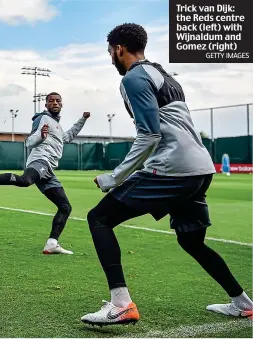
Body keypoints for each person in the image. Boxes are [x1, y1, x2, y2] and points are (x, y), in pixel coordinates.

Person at [80, 23, 253, 326]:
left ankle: (121, 304)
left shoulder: (133, 78)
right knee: (192, 241)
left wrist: (114, 176)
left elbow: (149, 135)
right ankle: (243, 303)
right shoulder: (162, 73)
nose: (110, 58)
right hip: (200, 168)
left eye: (110, 51)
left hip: (173, 169)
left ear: (119, 48)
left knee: (99, 218)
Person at [0, 92, 90, 254]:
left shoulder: (56, 125)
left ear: (62, 104)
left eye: (58, 101)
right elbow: (29, 141)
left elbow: (68, 136)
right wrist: (41, 137)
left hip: (49, 169)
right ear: (46, 105)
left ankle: (52, 243)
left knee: (65, 207)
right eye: (51, 101)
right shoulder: (42, 119)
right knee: (25, 181)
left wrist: (83, 120)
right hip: (40, 160)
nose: (55, 103)